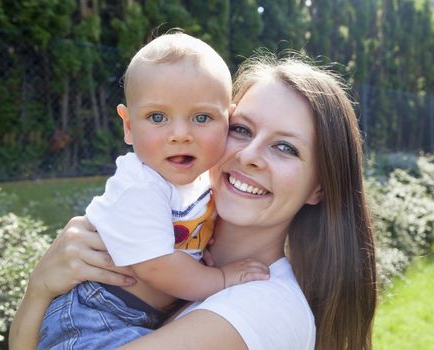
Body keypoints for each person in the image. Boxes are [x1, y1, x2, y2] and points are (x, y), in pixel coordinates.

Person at [10, 52, 377, 350]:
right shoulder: (181, 244)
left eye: (286, 147)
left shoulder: (263, 308)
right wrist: (40, 287)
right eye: (241, 129)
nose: (249, 155)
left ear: (319, 187)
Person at [35, 32, 270, 349]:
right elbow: (157, 265)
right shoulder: (140, 186)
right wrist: (223, 279)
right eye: (157, 117)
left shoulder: (203, 179)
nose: (180, 134)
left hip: (135, 314)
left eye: (202, 117)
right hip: (95, 315)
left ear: (227, 121)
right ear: (129, 126)